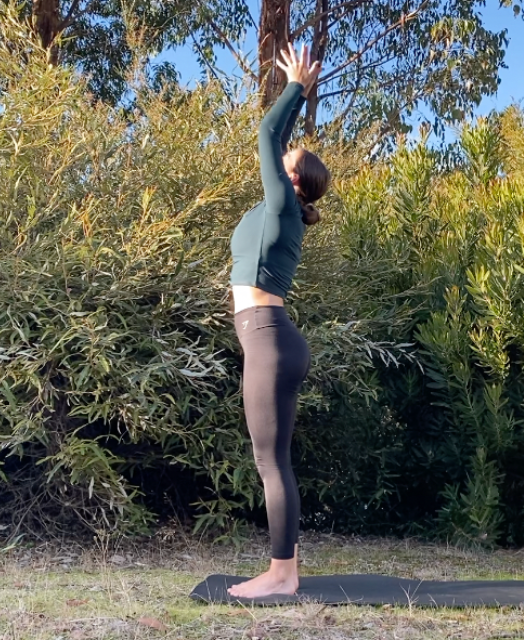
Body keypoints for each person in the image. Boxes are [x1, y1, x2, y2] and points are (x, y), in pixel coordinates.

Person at [226, 42, 328, 599]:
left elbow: (268, 133)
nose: (280, 156)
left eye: (288, 161)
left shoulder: (283, 205)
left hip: (268, 340)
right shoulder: (280, 208)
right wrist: (298, 94)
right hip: (269, 339)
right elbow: (278, 139)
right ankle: (285, 568)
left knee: (270, 461)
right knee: (273, 459)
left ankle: (282, 574)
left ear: (293, 181)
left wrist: (295, 87)